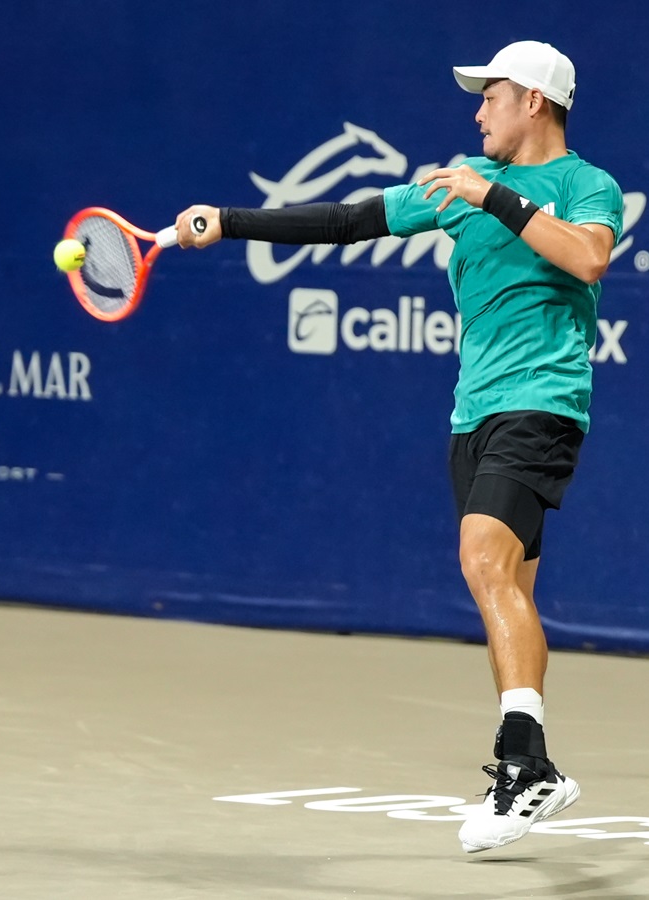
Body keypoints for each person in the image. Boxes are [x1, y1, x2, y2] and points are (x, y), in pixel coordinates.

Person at [174, 40, 623, 853]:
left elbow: (589, 258)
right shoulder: (457, 180)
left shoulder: (583, 185)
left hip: (541, 401)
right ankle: (534, 767)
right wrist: (231, 222)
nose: (476, 113)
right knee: (507, 589)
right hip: (471, 414)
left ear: (533, 101)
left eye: (489, 96)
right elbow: (349, 221)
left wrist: (494, 198)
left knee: (482, 558)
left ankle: (524, 766)